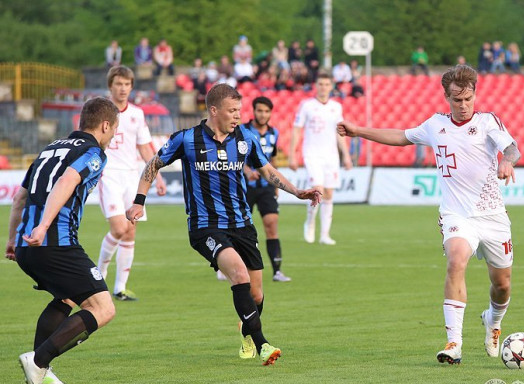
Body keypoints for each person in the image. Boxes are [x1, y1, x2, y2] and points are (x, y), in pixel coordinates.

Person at [337, 64, 521, 365]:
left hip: (492, 217)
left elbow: (512, 148)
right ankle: (454, 343)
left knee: (502, 285)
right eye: (457, 100)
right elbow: (401, 136)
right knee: (456, 261)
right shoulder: (435, 125)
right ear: (447, 97)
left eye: (468, 99)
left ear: (475, 95)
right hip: (456, 215)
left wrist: (507, 161)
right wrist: (358, 131)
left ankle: (493, 321)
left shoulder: (488, 122)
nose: (463, 105)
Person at [126, 84, 321, 365]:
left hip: (242, 224)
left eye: (239, 110)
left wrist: (297, 191)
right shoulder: (186, 139)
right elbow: (153, 165)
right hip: (205, 226)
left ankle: (246, 332)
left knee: (256, 294)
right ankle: (263, 344)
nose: (238, 116)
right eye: (232, 111)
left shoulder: (246, 138)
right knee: (239, 274)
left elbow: (267, 170)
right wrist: (139, 201)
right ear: (214, 110)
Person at [6, 97, 119, 384]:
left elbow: (19, 198)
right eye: (113, 130)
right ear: (105, 125)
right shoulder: (93, 153)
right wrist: (43, 226)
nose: (112, 137)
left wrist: (12, 240)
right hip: (54, 242)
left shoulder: (49, 149)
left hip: (26, 245)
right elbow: (67, 181)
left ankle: (43, 370)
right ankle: (38, 361)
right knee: (103, 308)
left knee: (67, 296)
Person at [97, 66, 167, 301]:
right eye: (119, 84)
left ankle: (120, 288)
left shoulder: (137, 114)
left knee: (130, 232)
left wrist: (158, 176)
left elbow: (145, 148)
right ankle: (99, 275)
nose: (123, 88)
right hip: (108, 175)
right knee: (119, 228)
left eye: (127, 84)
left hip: (131, 177)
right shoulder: (99, 111)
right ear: (110, 86)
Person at [289, 72, 353, 245]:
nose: (323, 87)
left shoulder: (336, 107)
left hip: (331, 155)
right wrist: (292, 154)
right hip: (312, 154)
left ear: (331, 86)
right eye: (320, 84)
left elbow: (340, 133)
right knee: (317, 190)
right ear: (316, 86)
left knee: (329, 194)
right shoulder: (307, 105)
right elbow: (297, 129)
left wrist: (346, 155)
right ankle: (310, 223)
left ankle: (325, 234)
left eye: (326, 84)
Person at [239, 96, 292, 282]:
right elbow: (232, 157)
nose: (263, 114)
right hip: (244, 187)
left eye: (266, 111)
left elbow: (273, 160)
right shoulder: (242, 131)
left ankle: (277, 271)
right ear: (254, 111)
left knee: (271, 224)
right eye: (260, 110)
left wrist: (276, 185)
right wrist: (247, 171)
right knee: (239, 228)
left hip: (266, 187)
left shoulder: (274, 133)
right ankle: (230, 266)